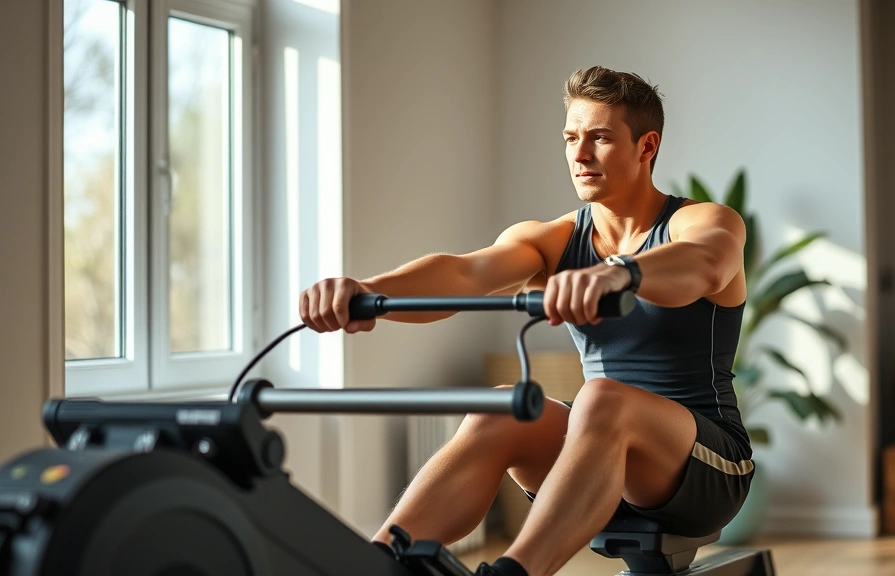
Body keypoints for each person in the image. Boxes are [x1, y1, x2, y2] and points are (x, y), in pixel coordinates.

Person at [298, 65, 753, 576]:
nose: (580, 155)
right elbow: (466, 274)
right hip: (595, 462)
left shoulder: (701, 222)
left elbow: (705, 262)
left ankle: (518, 572)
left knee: (602, 398)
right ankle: (377, 563)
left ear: (647, 147)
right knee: (501, 406)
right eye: (571, 138)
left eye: (600, 138)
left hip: (709, 469)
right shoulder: (555, 240)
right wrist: (368, 291)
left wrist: (621, 274)